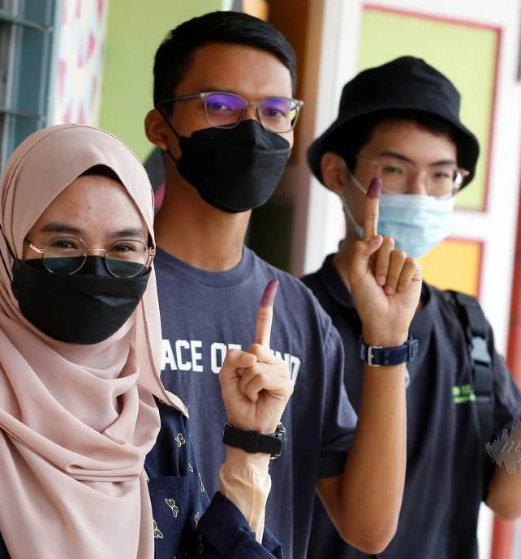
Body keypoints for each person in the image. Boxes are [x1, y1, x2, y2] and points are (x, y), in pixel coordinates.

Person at [0, 124, 300, 559]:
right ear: (8, 248)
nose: (97, 269)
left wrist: (250, 444)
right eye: (64, 243)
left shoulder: (155, 423)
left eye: (123, 248)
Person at [302, 56, 521, 558]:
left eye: (442, 175)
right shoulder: (297, 317)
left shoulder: (466, 326)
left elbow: (508, 498)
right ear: (338, 173)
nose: (421, 194)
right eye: (395, 170)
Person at [144, 11, 422, 559]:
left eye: (275, 112)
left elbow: (369, 527)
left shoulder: (298, 312)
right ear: (160, 128)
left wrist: (388, 342)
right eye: (221, 105)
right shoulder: (114, 286)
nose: (253, 129)